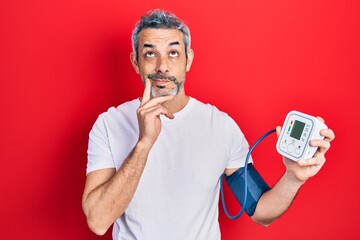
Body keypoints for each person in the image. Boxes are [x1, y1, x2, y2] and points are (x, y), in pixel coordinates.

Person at [82, 9, 335, 240]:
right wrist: (144, 144)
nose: (163, 66)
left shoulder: (221, 127)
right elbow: (98, 221)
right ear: (136, 62)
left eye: (173, 53)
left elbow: (260, 211)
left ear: (188, 60)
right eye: (150, 54)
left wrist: (293, 178)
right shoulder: (109, 124)